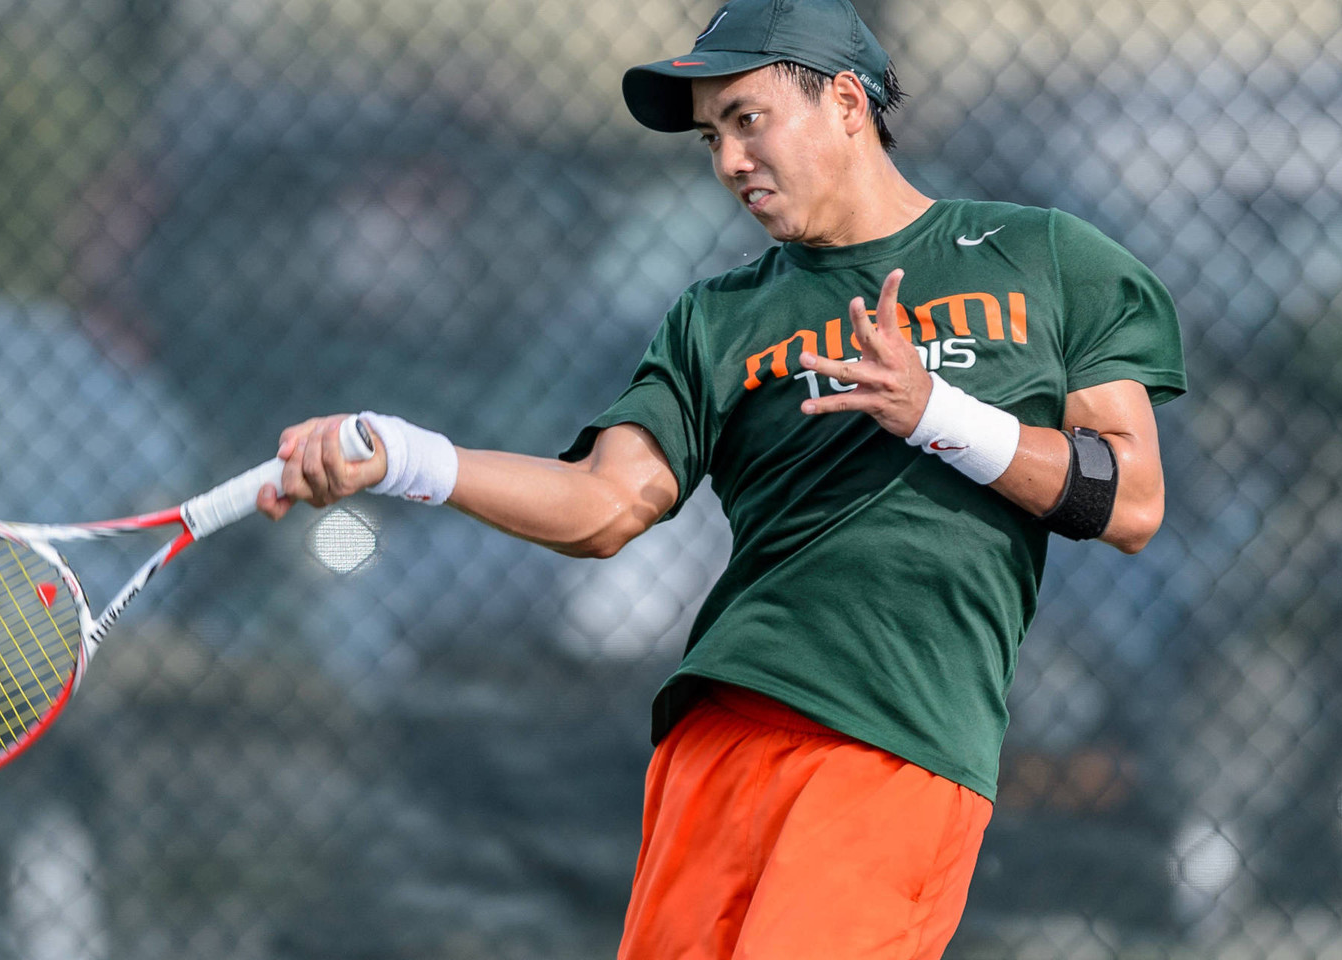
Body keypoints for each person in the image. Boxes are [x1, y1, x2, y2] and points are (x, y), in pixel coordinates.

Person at [256, 0, 1185, 955]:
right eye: (711, 137)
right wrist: (410, 457)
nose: (728, 161)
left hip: (894, 739)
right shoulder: (719, 318)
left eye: (747, 118)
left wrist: (937, 415)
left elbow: (1130, 498)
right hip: (717, 738)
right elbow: (606, 504)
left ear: (847, 102)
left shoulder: (1047, 259)